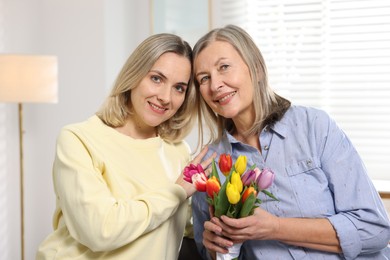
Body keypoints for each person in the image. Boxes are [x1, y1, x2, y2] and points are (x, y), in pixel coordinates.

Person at [191, 25, 390, 260]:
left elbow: (374, 228)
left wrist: (275, 227)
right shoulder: (210, 166)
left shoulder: (314, 126)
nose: (215, 85)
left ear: (256, 68)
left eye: (224, 67)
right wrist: (216, 248)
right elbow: (212, 254)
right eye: (204, 78)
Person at [36, 33, 214, 259]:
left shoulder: (178, 152)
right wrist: (176, 192)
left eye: (179, 88)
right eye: (157, 79)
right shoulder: (78, 139)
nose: (165, 97)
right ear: (134, 75)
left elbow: (179, 228)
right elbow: (100, 230)